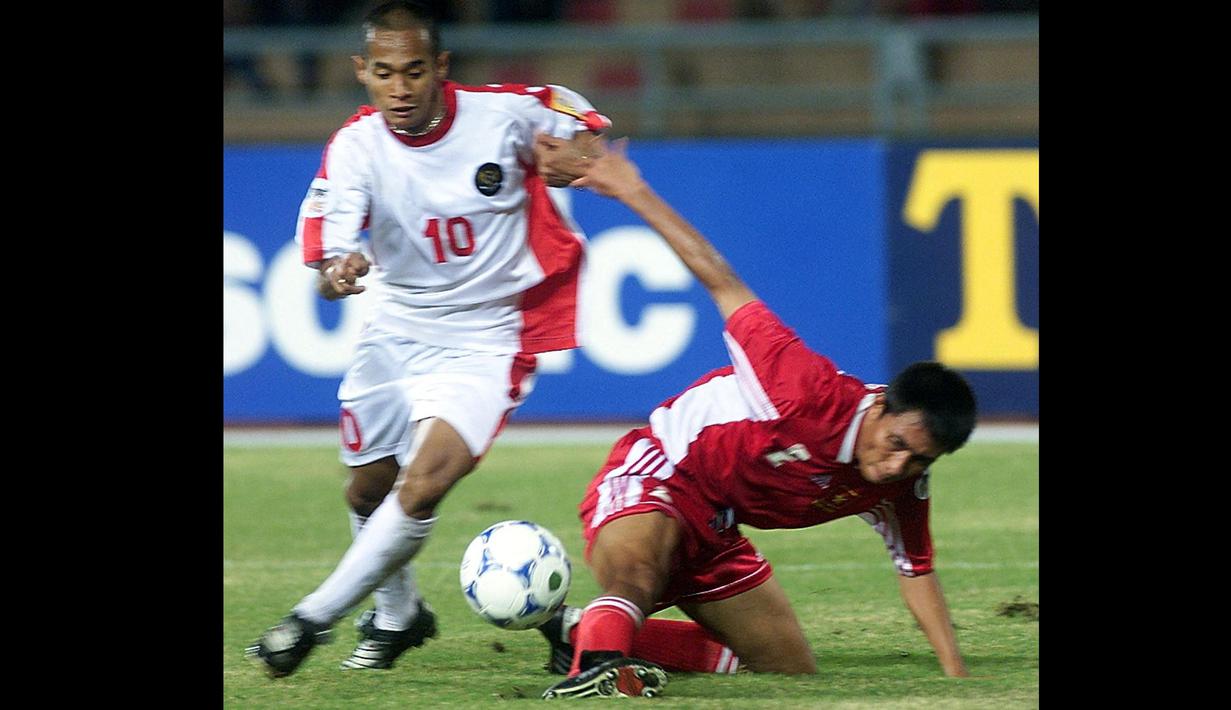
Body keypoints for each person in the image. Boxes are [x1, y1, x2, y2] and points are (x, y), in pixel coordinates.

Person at [528, 136, 977, 699]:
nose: (897, 466)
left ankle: (575, 632)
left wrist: (958, 678)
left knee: (786, 669)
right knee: (635, 577)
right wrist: (632, 190)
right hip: (661, 474)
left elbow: (916, 571)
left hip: (716, 521)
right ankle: (596, 668)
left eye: (919, 460)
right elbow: (722, 281)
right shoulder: (804, 390)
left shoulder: (904, 483)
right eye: (896, 444)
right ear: (881, 406)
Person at [245, 0, 609, 678]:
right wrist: (339, 269)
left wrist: (578, 156)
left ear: (440, 66)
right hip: (392, 330)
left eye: (414, 71)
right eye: (384, 73)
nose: (400, 89)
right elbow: (329, 258)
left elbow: (583, 121)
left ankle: (308, 621)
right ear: (362, 72)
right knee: (366, 490)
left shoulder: (503, 114)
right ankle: (398, 615)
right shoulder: (356, 146)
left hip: (486, 337)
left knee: (421, 485)